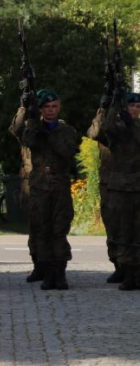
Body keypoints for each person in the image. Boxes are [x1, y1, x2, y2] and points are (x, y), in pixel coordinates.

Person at [10, 89, 79, 290]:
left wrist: (48, 135)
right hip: (39, 187)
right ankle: (47, 273)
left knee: (59, 230)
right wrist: (27, 113)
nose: (50, 110)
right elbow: (25, 139)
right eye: (46, 107)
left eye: (54, 106)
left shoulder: (67, 131)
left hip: (59, 187)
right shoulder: (34, 127)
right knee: (42, 231)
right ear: (41, 109)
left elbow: (67, 152)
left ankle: (60, 273)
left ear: (59, 107)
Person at [103, 92, 140, 290]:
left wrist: (132, 125)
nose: (134, 109)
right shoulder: (118, 127)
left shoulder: (136, 127)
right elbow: (106, 128)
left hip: (138, 185)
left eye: (138, 107)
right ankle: (128, 273)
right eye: (131, 106)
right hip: (120, 187)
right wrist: (114, 106)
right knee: (123, 230)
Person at [86, 98, 120, 283]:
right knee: (112, 226)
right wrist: (103, 109)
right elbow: (95, 132)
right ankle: (118, 265)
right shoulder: (106, 125)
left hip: (132, 184)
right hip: (109, 184)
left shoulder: (129, 126)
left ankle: (132, 267)